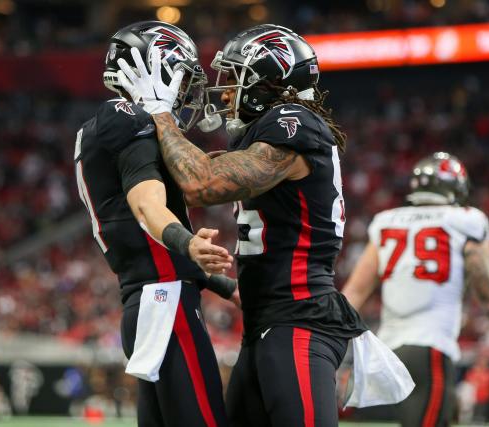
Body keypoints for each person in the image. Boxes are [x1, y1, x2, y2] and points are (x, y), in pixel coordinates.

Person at [119, 24, 368, 426]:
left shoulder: (293, 123)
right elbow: (193, 170)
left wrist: (160, 112)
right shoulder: (264, 138)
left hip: (299, 322)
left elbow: (200, 183)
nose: (228, 89)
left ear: (270, 82)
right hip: (267, 324)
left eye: (237, 77)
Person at [75, 21, 237, 427]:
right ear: (154, 65)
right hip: (165, 305)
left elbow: (142, 236)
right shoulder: (124, 115)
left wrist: (223, 286)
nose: (188, 88)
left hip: (149, 303)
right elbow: (147, 208)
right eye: (183, 73)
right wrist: (188, 244)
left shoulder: (106, 123)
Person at [341, 152, 489, 426]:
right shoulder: (467, 220)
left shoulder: (387, 220)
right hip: (430, 348)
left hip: (390, 354)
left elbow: (353, 294)